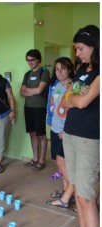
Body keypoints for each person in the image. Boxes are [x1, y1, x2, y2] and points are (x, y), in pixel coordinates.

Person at [60, 25, 100, 227]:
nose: (77, 53)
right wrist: (73, 99)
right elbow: (64, 100)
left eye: (81, 48)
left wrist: (73, 99)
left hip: (88, 140)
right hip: (70, 134)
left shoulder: (99, 72)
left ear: (94, 46)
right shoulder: (82, 71)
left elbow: (82, 102)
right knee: (77, 192)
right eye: (76, 49)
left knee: (87, 198)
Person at [45, 57, 76, 210]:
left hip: (66, 131)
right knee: (61, 165)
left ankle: (71, 193)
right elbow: (53, 101)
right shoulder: (57, 84)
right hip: (55, 128)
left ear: (69, 69)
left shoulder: (73, 86)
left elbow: (76, 111)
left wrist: (66, 130)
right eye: (57, 69)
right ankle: (67, 192)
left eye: (63, 68)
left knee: (63, 164)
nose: (59, 72)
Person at [20, 49, 51, 171]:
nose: (30, 62)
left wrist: (29, 91)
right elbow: (21, 92)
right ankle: (35, 158)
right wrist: (34, 91)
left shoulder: (44, 71)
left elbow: (40, 90)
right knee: (32, 133)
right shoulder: (27, 74)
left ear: (38, 59)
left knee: (41, 135)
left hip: (39, 107)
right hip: (28, 107)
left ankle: (42, 161)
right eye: (28, 60)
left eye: (32, 59)